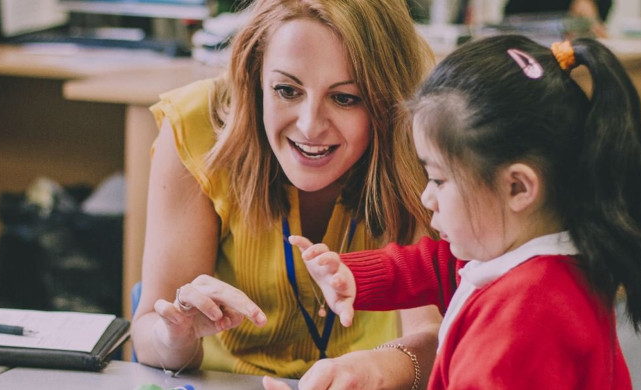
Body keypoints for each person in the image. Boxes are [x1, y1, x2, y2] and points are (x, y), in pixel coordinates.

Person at [271, 35, 641, 389]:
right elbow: (439, 266)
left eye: (438, 179)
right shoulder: (530, 259)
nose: (426, 196)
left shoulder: (523, 319)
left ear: (517, 188)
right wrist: (352, 275)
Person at [131, 0, 443, 386]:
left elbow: (438, 340)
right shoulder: (198, 126)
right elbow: (148, 335)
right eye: (286, 90)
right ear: (255, 76)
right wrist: (174, 335)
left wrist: (377, 370)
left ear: (388, 100)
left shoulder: (419, 139)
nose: (311, 126)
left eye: (345, 98)